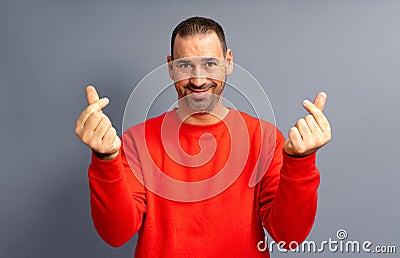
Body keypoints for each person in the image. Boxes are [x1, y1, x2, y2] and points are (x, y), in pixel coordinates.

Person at [75, 17, 331, 257]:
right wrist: (105, 159)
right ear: (170, 68)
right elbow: (115, 234)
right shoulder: (137, 141)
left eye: (210, 64)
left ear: (228, 62)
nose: (198, 80)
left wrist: (300, 161)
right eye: (185, 65)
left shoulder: (264, 138)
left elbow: (289, 236)